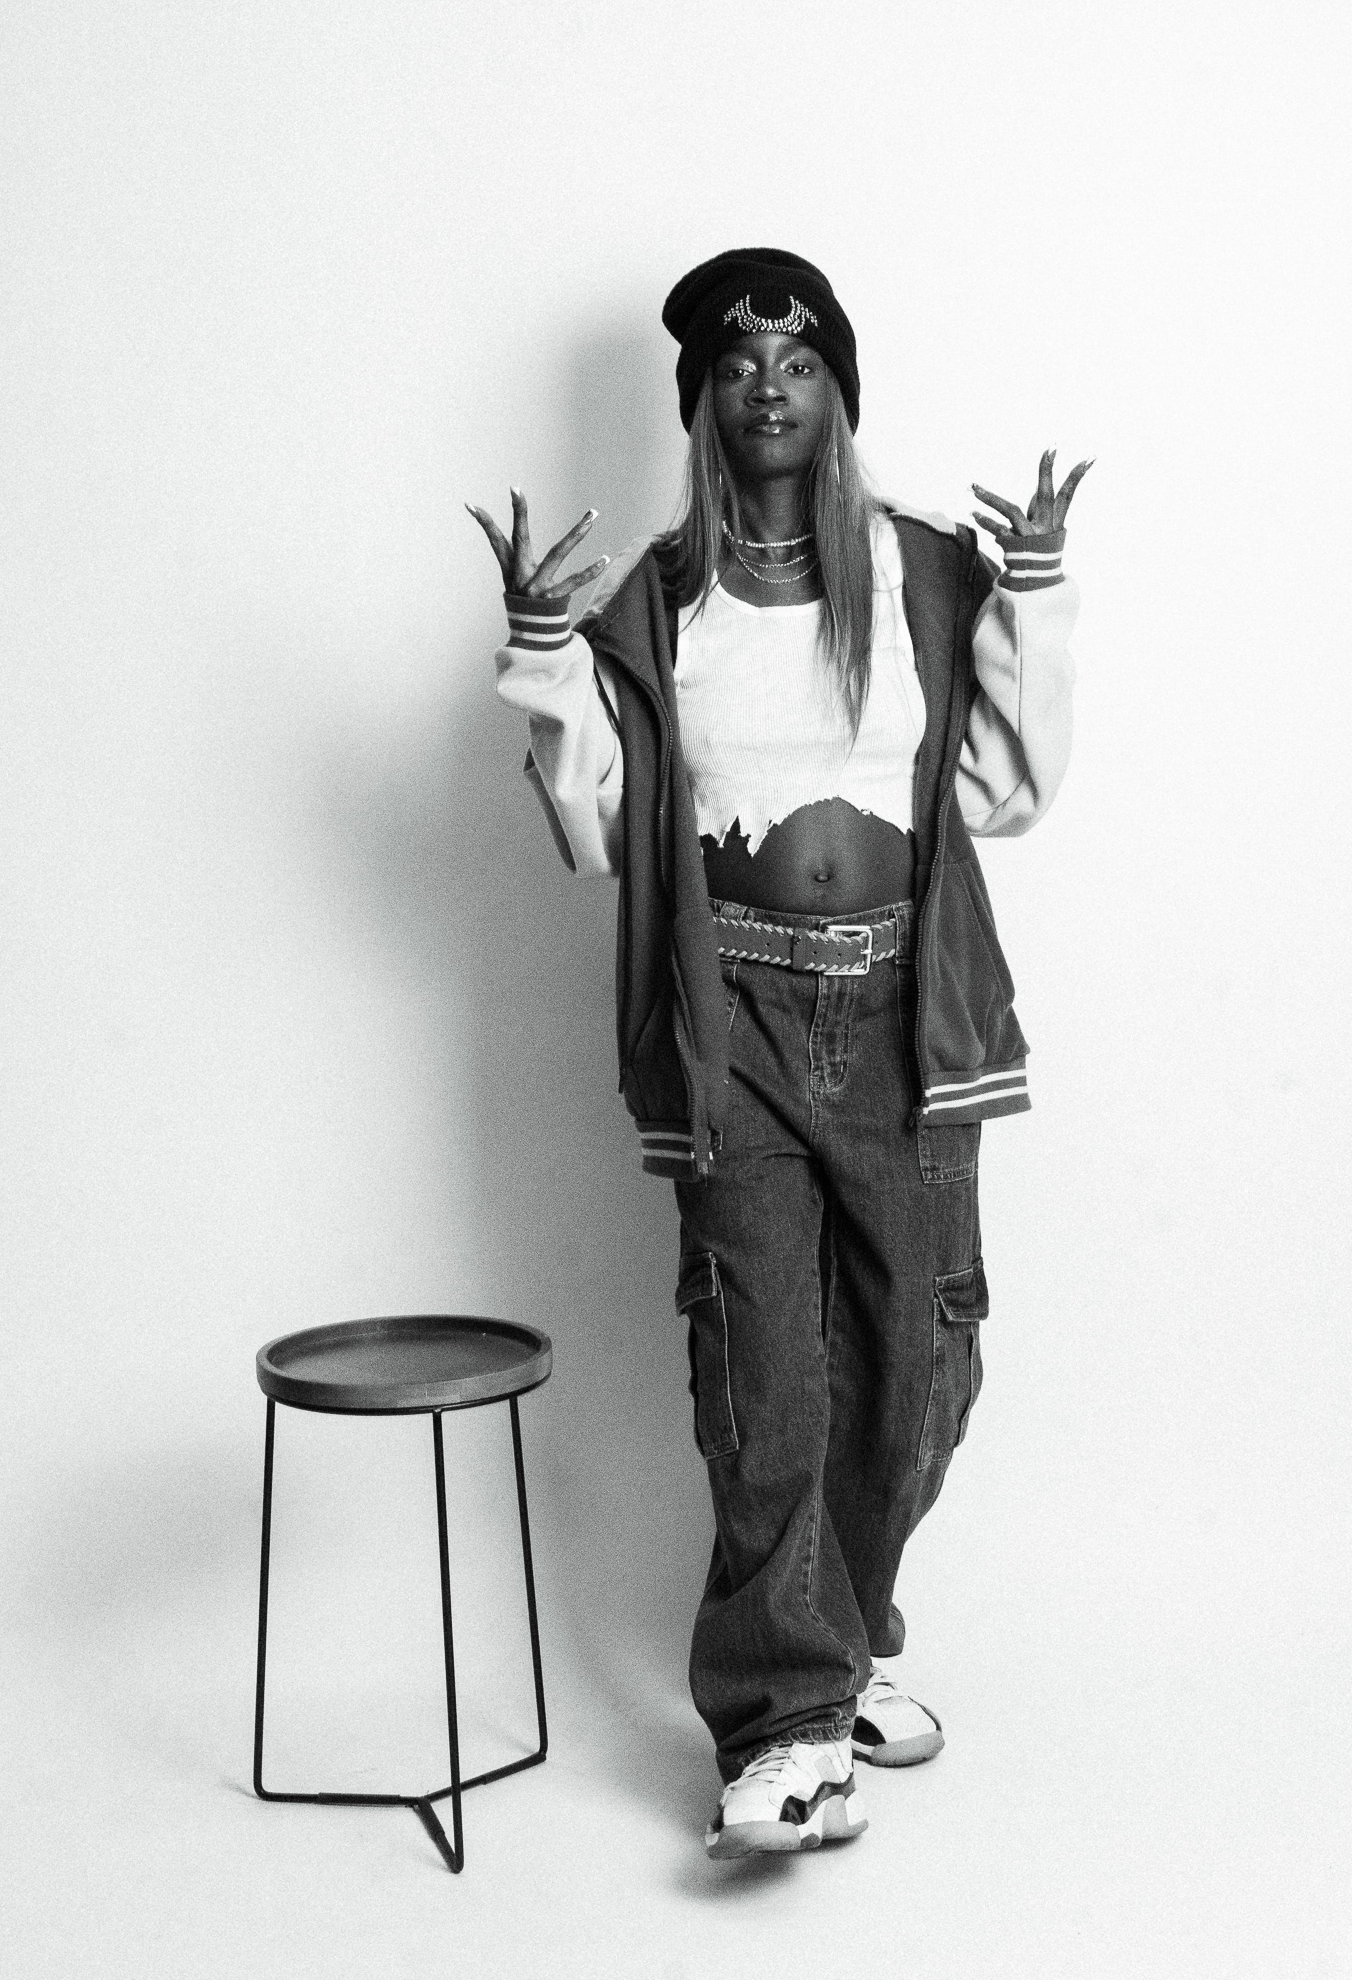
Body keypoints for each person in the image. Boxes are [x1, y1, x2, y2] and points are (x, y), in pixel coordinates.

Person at [469, 246, 1089, 1860]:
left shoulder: (925, 574)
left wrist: (1031, 599)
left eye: (800, 361)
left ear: (836, 395)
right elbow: (595, 831)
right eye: (738, 363)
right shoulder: (651, 602)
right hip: (730, 1017)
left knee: (918, 1372)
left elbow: (1007, 793)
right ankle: (782, 1726)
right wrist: (544, 650)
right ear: (699, 400)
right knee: (762, 1381)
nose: (768, 386)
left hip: (904, 1019)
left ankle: (835, 1641)